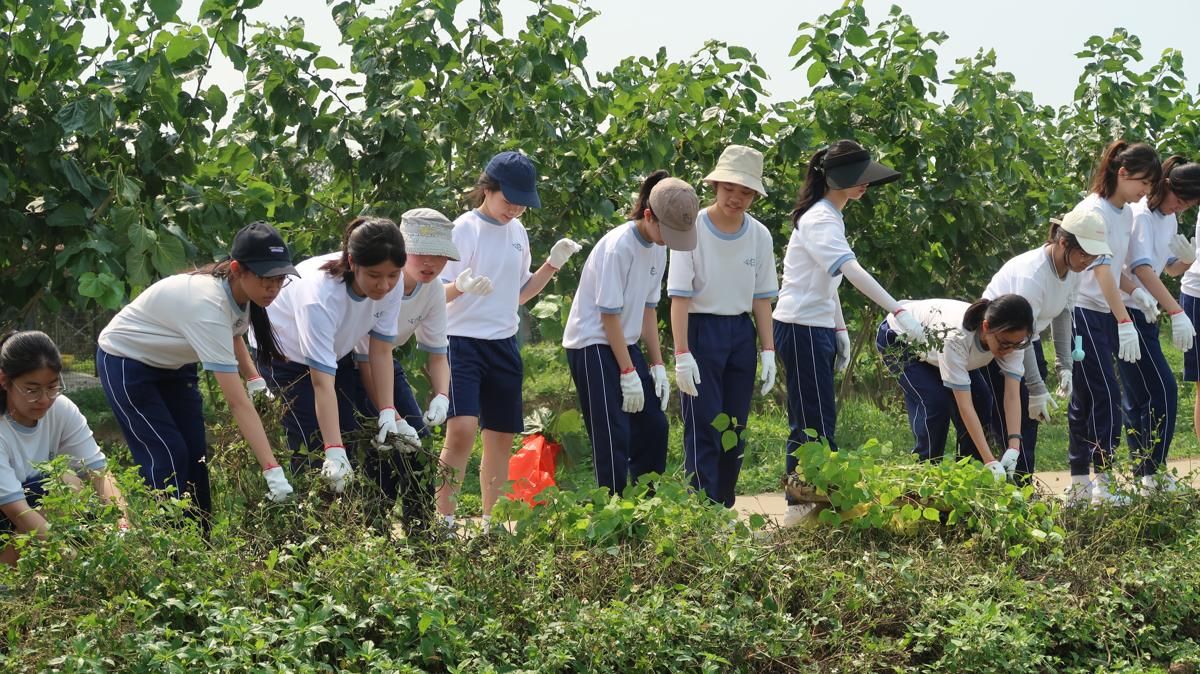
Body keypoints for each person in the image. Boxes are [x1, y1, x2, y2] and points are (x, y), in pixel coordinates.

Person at [97, 222, 298, 526]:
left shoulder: (243, 294)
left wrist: (254, 378)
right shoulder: (207, 303)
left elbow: (234, 331)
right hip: (127, 360)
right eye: (266, 278)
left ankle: (201, 544)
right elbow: (237, 403)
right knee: (167, 454)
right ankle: (169, 543)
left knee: (195, 455)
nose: (273, 288)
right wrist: (272, 469)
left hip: (173, 364)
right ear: (237, 269)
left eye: (280, 279)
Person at [772, 139, 925, 525]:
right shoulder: (821, 219)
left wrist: (839, 327)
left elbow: (827, 281)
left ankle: (809, 505)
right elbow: (849, 269)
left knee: (817, 419)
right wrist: (896, 308)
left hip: (816, 325)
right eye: (857, 178)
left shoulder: (830, 215)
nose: (864, 184)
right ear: (832, 179)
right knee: (813, 423)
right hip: (802, 326)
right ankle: (801, 509)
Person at [435, 151, 582, 531]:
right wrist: (460, 287)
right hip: (461, 341)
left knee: (501, 436)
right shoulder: (464, 228)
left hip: (502, 343)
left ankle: (492, 523)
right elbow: (435, 294)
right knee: (461, 430)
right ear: (487, 189)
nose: (514, 209)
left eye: (522, 204)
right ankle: (443, 520)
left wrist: (552, 264)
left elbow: (519, 294)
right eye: (509, 200)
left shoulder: (517, 232)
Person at [257, 217, 418, 496]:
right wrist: (333, 450)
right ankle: (306, 516)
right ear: (353, 262)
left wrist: (389, 412)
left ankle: (344, 516)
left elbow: (380, 351)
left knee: (348, 435)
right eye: (375, 276)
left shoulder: (394, 282)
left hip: (336, 352)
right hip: (285, 357)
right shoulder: (320, 296)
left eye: (392, 275)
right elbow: (321, 383)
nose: (384, 285)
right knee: (312, 444)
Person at [562, 172, 699, 495]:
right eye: (667, 231)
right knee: (613, 431)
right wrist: (627, 371)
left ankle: (645, 501)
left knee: (654, 425)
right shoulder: (618, 247)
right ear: (649, 215)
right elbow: (608, 315)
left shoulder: (658, 247)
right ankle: (612, 505)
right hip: (592, 344)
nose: (669, 239)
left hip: (625, 342)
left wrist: (656, 365)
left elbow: (648, 309)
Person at [667, 144, 778, 508]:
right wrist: (681, 353)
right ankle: (702, 507)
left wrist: (768, 350)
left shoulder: (759, 235)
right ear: (715, 185)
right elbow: (679, 296)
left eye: (746, 192)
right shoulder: (691, 228)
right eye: (729, 188)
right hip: (700, 331)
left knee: (734, 426)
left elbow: (761, 297)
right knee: (704, 424)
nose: (736, 198)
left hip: (741, 333)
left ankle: (724, 504)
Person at [981, 209, 1109, 484]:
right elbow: (1018, 333)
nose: (1088, 261)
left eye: (1094, 256)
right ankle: (1007, 489)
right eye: (1085, 254)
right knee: (1009, 422)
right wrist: (1036, 387)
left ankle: (1022, 487)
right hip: (999, 343)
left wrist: (1065, 365)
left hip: (1029, 341)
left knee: (1029, 423)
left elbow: (1064, 313)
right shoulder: (1033, 276)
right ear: (1063, 243)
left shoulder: (1073, 269)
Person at [1066, 140, 1161, 505]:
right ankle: (1099, 482)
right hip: (1084, 310)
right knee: (1104, 394)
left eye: (1151, 185)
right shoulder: (1095, 211)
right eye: (1144, 182)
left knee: (1089, 395)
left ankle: (1081, 483)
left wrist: (1136, 292)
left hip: (1103, 312)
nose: (1146, 191)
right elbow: (1100, 269)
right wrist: (1124, 318)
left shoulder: (1125, 213)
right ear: (1122, 173)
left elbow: (1115, 267)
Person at [353, 208, 459, 533]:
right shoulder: (382, 284)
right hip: (351, 365)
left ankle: (420, 534)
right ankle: (376, 533)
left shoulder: (433, 291)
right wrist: (394, 417)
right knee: (381, 449)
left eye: (439, 255)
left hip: (384, 363)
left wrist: (442, 395)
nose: (430, 263)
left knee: (418, 446)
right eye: (421, 253)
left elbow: (437, 353)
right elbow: (366, 357)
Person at [1, 331, 128, 564]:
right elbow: (18, 512)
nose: (44, 399)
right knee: (64, 488)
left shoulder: (60, 409)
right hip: (9, 515)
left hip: (27, 514)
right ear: (4, 380)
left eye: (52, 387)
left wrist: (123, 526)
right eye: (32, 390)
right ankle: (7, 572)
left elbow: (99, 473)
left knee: (69, 484)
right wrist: (77, 562)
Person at [876, 296, 1034, 477]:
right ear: (986, 327)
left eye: (1017, 344)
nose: (1010, 350)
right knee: (935, 403)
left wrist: (1014, 447)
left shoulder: (1012, 341)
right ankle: (924, 473)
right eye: (1005, 344)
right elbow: (965, 406)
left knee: (982, 399)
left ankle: (970, 472)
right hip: (901, 339)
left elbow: (1012, 395)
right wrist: (990, 460)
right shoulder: (957, 337)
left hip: (940, 349)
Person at [1118, 157, 1200, 492]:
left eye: (1188, 206)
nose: (1180, 208)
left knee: (1141, 395)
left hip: (1146, 312)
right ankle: (1151, 471)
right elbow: (1141, 268)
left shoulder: (1168, 218)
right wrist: (1177, 311)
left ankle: (1147, 473)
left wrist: (1188, 260)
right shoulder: (1142, 215)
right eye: (1179, 200)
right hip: (1129, 310)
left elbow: (1167, 267)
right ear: (1165, 185)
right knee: (1162, 390)